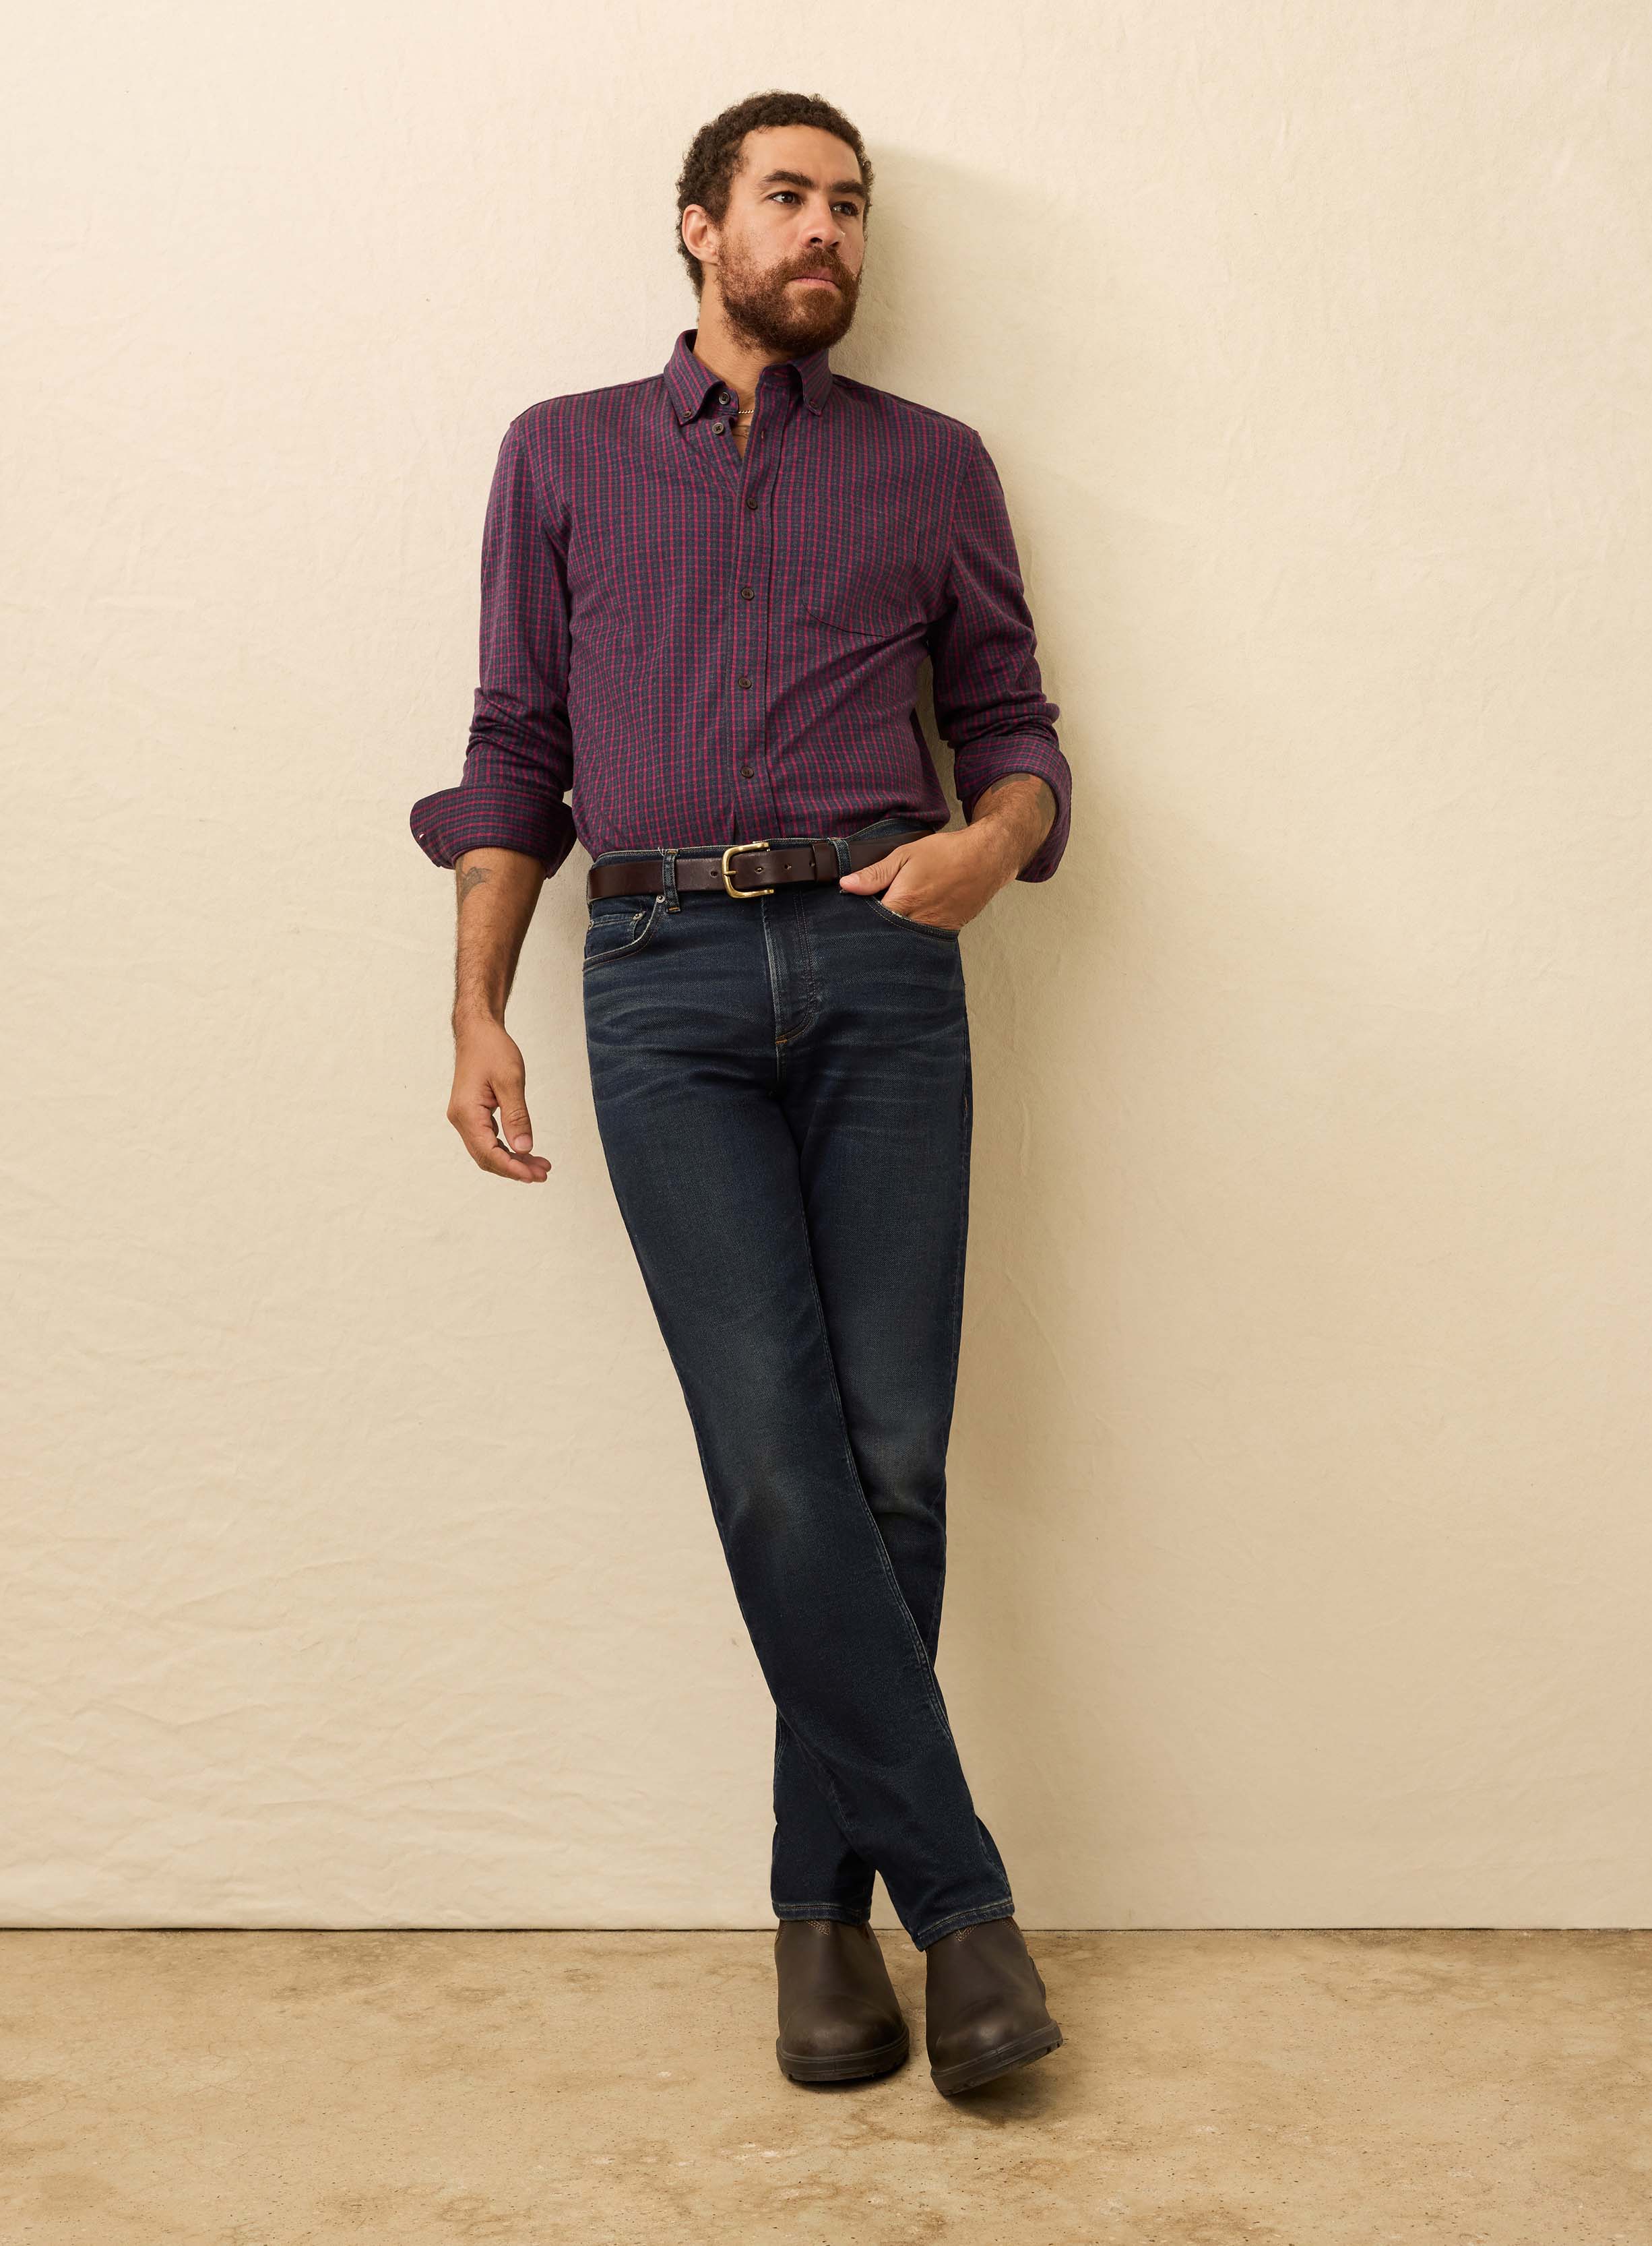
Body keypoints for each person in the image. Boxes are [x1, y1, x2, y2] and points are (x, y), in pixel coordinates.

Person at [408, 89, 1073, 2098]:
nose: (825, 236)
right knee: (780, 1462)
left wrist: (992, 840)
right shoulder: (563, 457)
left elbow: (1014, 720)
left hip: (885, 966)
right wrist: (474, 1008)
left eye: (848, 209)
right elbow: (514, 744)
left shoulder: (933, 467)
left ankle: (815, 1923)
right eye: (788, 200)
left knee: (890, 1470)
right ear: (698, 229)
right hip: (659, 978)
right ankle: (959, 1911)